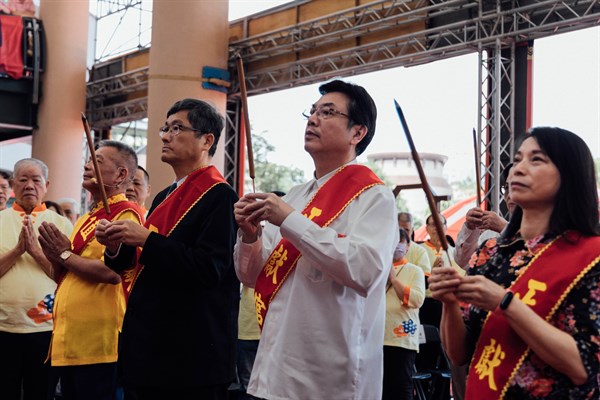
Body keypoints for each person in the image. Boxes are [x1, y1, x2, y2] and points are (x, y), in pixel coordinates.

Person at [234, 79, 399, 400]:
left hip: (328, 375)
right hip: (274, 366)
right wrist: (249, 235)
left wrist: (290, 221)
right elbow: (251, 276)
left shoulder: (374, 196)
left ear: (357, 132)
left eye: (327, 112)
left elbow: (366, 271)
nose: (313, 119)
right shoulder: (295, 196)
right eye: (311, 112)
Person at [429, 127, 600, 400]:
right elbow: (459, 353)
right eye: (518, 159)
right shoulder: (490, 252)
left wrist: (505, 303)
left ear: (570, 176)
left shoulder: (592, 257)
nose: (518, 169)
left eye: (536, 159)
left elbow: (584, 368)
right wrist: (449, 303)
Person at [98, 98, 239, 400]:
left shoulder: (220, 197)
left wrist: (146, 240)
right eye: (165, 128)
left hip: (189, 355)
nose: (164, 136)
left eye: (177, 128)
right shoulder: (164, 196)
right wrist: (115, 248)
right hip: (150, 348)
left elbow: (209, 268)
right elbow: (141, 262)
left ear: (207, 140)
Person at [37, 141, 143, 400]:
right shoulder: (86, 218)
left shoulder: (126, 215)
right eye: (88, 160)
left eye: (98, 160)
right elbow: (63, 275)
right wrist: (55, 256)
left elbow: (112, 273)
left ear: (121, 175)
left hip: (97, 338)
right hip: (68, 337)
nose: (86, 166)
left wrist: (63, 254)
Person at [0, 158, 73, 400]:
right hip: (3, 327)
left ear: (47, 185)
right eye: (23, 179)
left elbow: (69, 275)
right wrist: (18, 250)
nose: (29, 185)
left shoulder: (62, 224)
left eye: (36, 180)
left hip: (47, 328)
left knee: (40, 393)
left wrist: (36, 252)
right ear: (13, 184)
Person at [383, 228, 426, 400]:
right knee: (380, 388)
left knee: (400, 388)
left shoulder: (415, 271)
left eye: (401, 242)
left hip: (401, 338)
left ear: (408, 246)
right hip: (377, 337)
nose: (397, 246)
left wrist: (393, 279)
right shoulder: (378, 268)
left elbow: (416, 299)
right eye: (394, 241)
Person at [454, 164, 516, 268]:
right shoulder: (491, 235)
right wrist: (470, 228)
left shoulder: (547, 231)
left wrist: (504, 228)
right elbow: (465, 263)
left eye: (515, 187)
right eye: (506, 188)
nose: (509, 195)